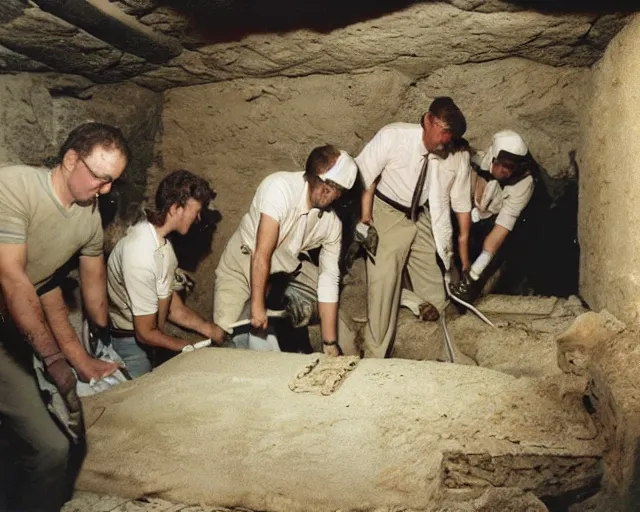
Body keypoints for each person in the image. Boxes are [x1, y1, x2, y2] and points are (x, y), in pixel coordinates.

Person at [0, 122, 129, 512]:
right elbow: (13, 277)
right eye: (100, 178)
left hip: (6, 338)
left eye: (113, 182)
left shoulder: (87, 218)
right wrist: (52, 358)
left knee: (52, 448)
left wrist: (82, 359)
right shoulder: (15, 187)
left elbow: (49, 288)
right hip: (14, 321)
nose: (105, 190)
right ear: (71, 159)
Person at [355, 97, 472, 358]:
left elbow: (460, 202)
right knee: (383, 288)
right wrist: (365, 219)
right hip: (387, 213)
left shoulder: (451, 153)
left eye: (449, 136)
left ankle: (441, 357)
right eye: (443, 132)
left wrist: (462, 256)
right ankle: (374, 360)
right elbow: (364, 177)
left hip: (422, 216)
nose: (445, 140)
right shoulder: (393, 137)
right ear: (428, 120)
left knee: (437, 289)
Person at [213, 145, 358, 356]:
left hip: (282, 269)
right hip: (244, 258)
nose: (328, 194)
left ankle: (286, 315)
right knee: (229, 338)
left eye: (335, 190)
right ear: (311, 175)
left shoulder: (331, 224)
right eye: (324, 186)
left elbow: (329, 278)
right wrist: (257, 307)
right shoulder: (279, 188)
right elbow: (261, 253)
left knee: (271, 343)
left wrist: (329, 343)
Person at [106, 170, 223, 378]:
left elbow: (172, 307)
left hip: (149, 340)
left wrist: (210, 330)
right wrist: (189, 348)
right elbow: (145, 333)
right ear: (176, 208)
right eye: (195, 211)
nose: (198, 218)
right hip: (131, 347)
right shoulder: (141, 253)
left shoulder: (163, 246)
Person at [449, 129, 538, 304]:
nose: (504, 170)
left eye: (510, 167)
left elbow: (499, 232)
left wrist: (475, 271)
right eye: (500, 164)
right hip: (468, 213)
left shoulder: (523, 184)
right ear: (493, 158)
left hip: (494, 222)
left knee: (494, 260)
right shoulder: (478, 159)